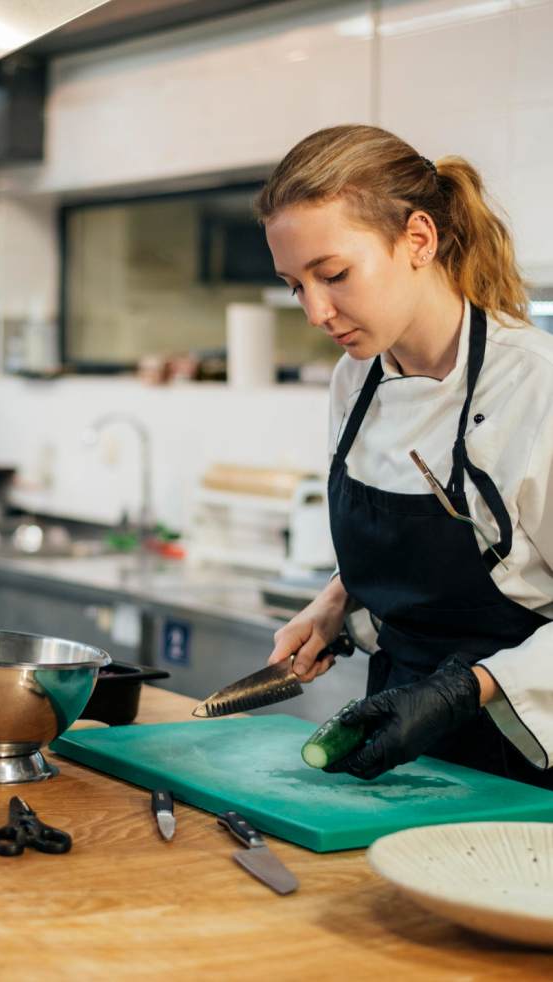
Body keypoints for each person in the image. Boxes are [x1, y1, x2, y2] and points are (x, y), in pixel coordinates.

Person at [256, 124, 553, 787]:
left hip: (525, 756)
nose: (315, 311)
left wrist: (465, 690)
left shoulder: (537, 387)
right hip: (395, 743)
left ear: (419, 239)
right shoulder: (354, 380)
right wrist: (336, 602)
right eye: (295, 285)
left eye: (334, 274)